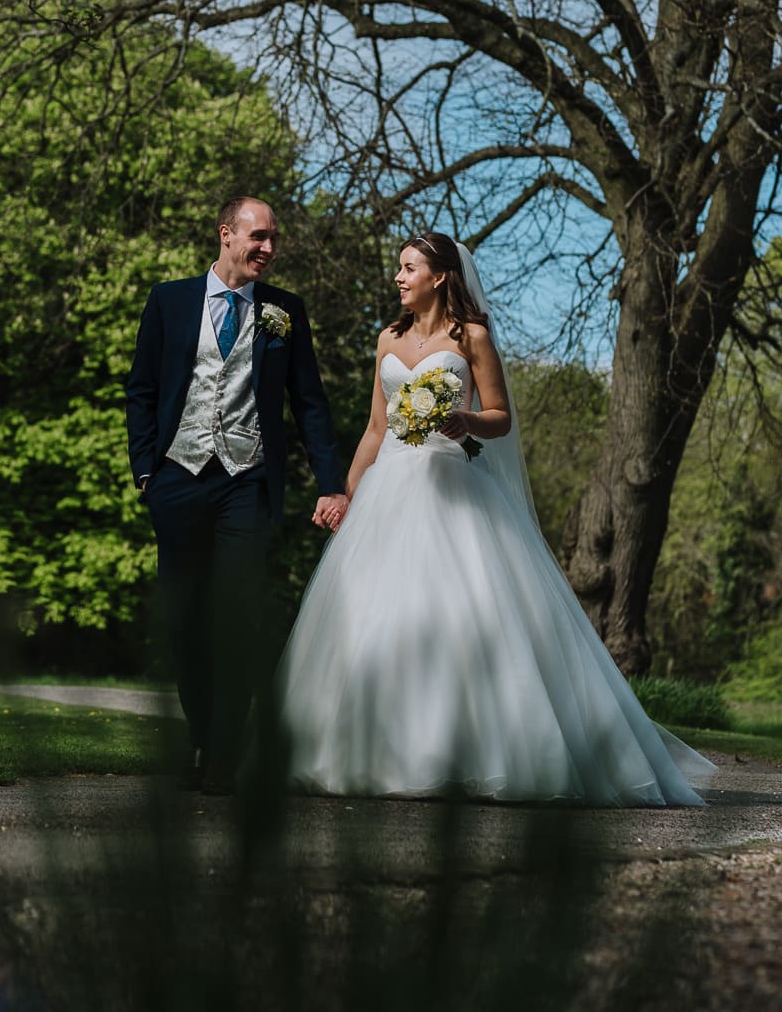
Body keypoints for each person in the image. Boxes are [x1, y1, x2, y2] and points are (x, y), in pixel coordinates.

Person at [274, 232, 713, 805]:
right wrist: (346, 495)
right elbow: (376, 430)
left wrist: (468, 422)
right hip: (389, 488)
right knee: (378, 617)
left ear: (439, 276)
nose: (398, 278)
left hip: (454, 489)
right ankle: (366, 751)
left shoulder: (472, 337)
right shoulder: (387, 338)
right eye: (398, 269)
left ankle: (468, 754)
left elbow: (501, 416)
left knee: (463, 615)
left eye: (409, 268)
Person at [125, 196, 347, 794]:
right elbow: (142, 389)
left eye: (275, 239)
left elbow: (309, 404)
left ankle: (222, 753)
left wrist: (332, 482)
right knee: (185, 620)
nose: (269, 249)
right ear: (226, 234)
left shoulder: (284, 313)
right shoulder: (168, 301)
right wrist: (145, 470)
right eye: (259, 236)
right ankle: (201, 737)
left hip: (246, 482)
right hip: (175, 479)